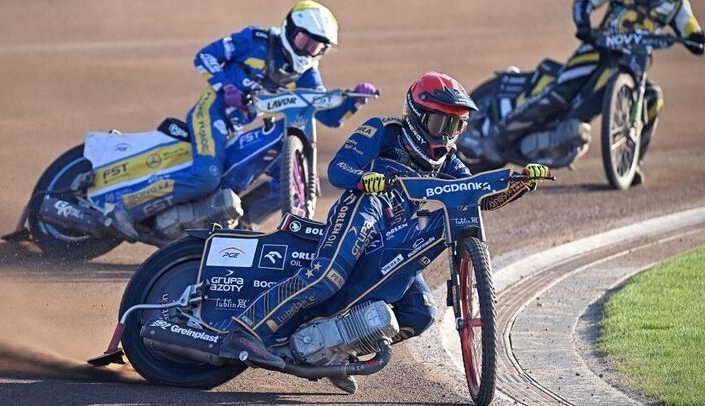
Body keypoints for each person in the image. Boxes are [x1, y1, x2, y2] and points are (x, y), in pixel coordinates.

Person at [219, 71, 550, 393]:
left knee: (420, 312)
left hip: (394, 230)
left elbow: (474, 194)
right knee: (328, 276)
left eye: (456, 126)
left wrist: (519, 184)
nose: (446, 135)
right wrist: (366, 180)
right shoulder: (384, 129)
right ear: (418, 116)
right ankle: (246, 330)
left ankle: (337, 352)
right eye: (441, 123)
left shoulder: (447, 159)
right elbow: (339, 170)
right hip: (363, 209)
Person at [112, 0, 375, 237]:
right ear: (289, 29)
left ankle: (242, 223)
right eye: (304, 40)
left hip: (237, 128)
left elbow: (328, 117)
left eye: (315, 46)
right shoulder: (255, 39)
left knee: (291, 182)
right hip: (211, 113)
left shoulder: (306, 75)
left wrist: (354, 101)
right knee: (207, 175)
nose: (307, 50)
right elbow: (205, 56)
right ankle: (127, 207)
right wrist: (226, 87)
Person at [489, 0, 705, 185]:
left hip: (636, 62)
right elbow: (584, 0)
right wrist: (584, 27)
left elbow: (691, 29)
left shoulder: (676, 4)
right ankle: (499, 136)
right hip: (597, 50)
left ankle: (633, 163)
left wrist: (697, 39)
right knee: (559, 94)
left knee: (653, 99)